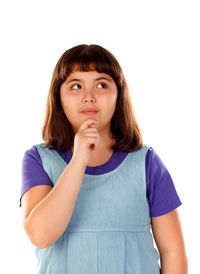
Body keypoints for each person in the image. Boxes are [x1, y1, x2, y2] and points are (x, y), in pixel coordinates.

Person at [20, 44, 188, 274]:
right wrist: (79, 159)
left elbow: (173, 252)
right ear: (58, 98)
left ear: (118, 96)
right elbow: (40, 235)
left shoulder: (146, 162)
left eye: (101, 85)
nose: (89, 97)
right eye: (76, 86)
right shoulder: (38, 159)